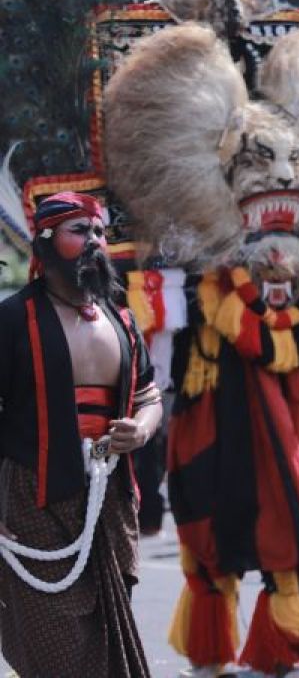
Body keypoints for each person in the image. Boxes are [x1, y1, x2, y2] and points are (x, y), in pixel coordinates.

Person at [0, 192, 163, 677]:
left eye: (99, 232)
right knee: (58, 646)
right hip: (35, 498)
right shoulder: (12, 319)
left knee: (104, 636)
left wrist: (141, 429)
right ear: (45, 244)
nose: (95, 241)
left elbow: (149, 395)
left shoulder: (121, 315)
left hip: (110, 497)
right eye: (80, 231)